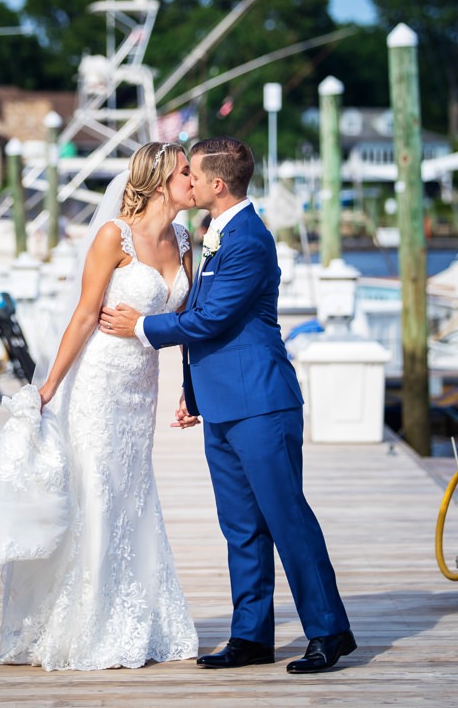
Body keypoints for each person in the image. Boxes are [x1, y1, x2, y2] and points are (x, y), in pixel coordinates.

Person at [100, 136, 356, 675]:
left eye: (190, 174)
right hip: (222, 406)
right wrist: (192, 395)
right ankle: (251, 637)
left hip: (262, 403)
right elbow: (207, 325)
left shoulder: (248, 241)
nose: (184, 181)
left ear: (216, 185)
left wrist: (140, 326)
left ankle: (329, 631)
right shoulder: (210, 234)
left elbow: (209, 321)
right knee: (240, 525)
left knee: (287, 519)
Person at [0, 141, 199, 671]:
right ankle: (87, 625)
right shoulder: (113, 236)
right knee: (95, 491)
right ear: (161, 179)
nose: (194, 179)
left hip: (141, 388)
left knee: (132, 493)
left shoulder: (185, 240)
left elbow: (186, 323)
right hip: (96, 384)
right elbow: (84, 315)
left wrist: (191, 388)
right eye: (186, 171)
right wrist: (48, 388)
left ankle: (137, 617)